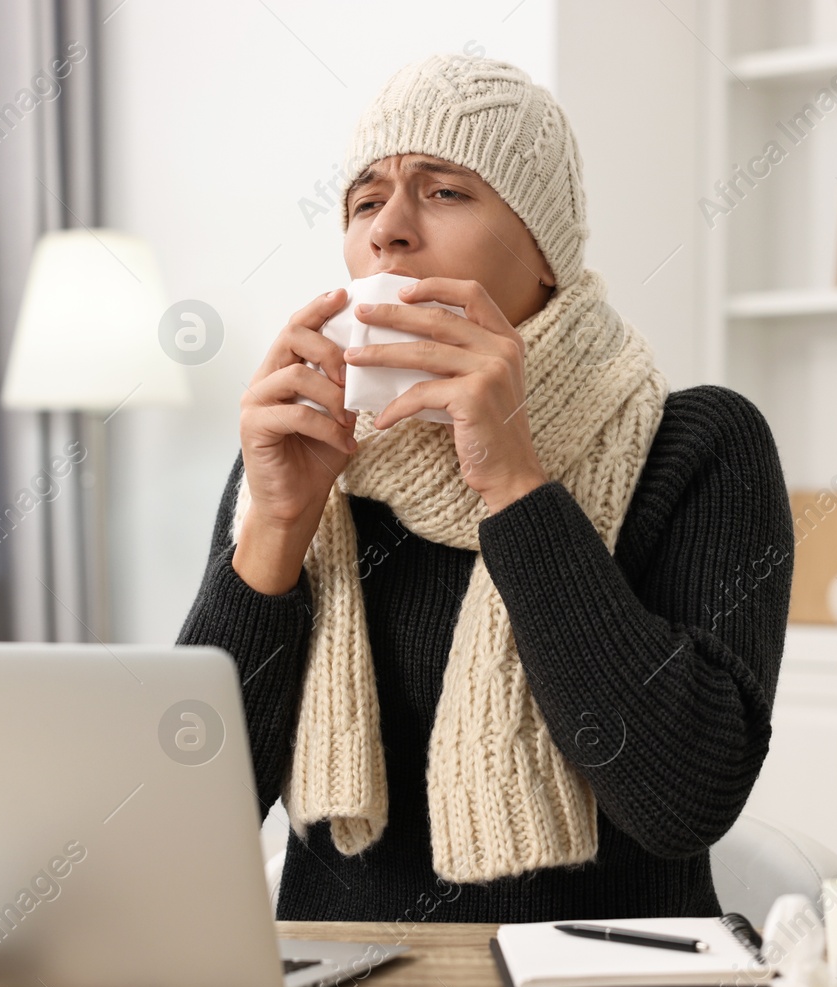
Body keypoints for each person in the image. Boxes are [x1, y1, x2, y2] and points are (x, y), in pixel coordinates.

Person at [177, 54, 793, 923]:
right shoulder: (300, 460)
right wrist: (276, 522)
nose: (388, 229)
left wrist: (515, 481)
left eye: (443, 191)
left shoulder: (701, 444)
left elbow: (684, 801)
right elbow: (187, 820)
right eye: (363, 201)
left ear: (547, 255)